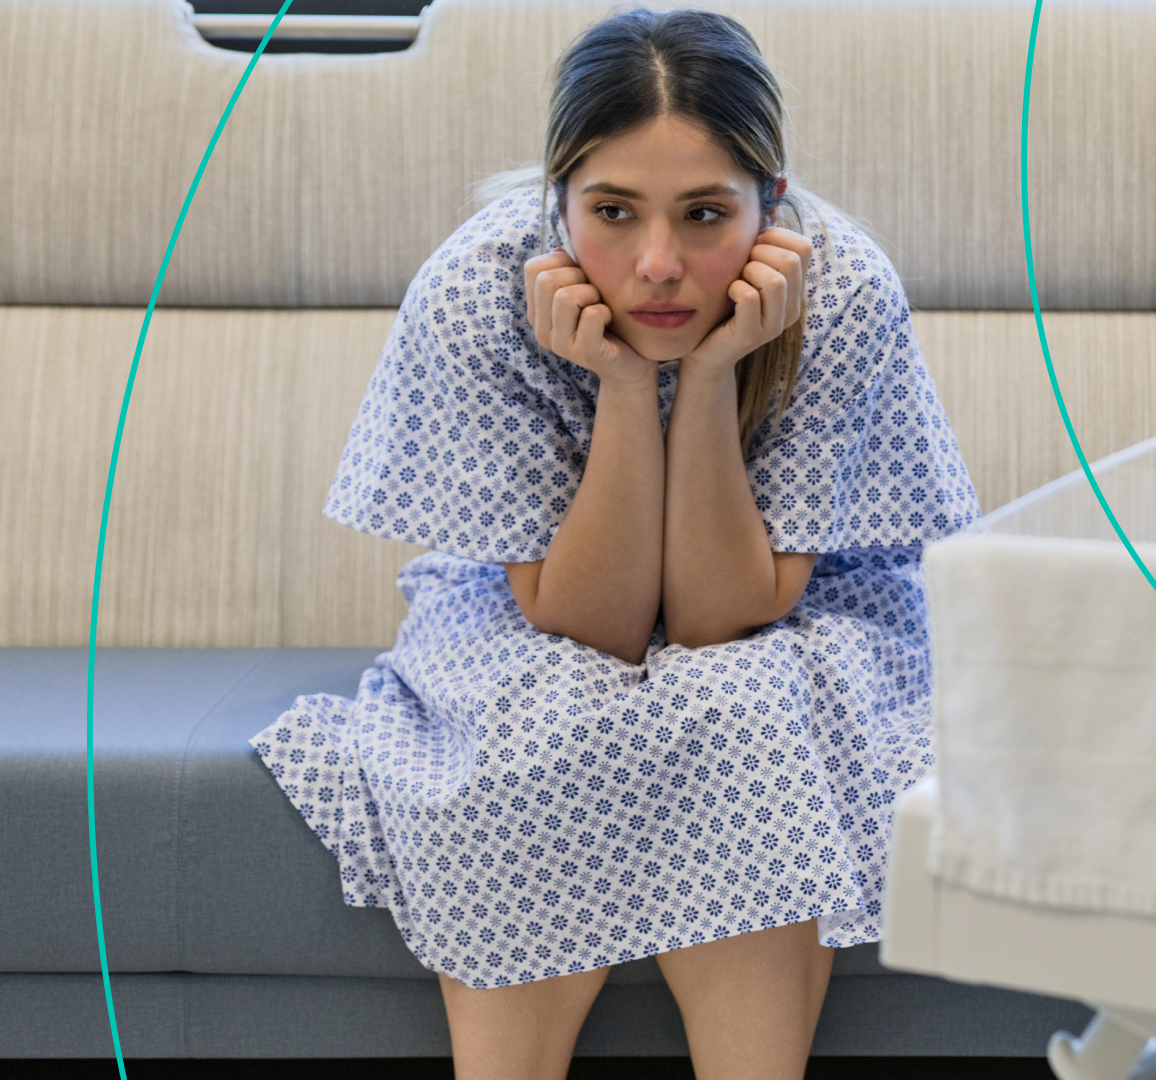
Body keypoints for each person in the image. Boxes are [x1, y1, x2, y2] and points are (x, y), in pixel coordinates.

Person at [248, 7, 978, 1078]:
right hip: (534, 607)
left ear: (771, 204)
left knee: (744, 707)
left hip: (798, 607)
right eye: (613, 211)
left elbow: (720, 617)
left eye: (703, 214)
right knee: (537, 723)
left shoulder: (845, 288)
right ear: (557, 202)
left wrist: (719, 375)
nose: (658, 265)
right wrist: (627, 388)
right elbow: (589, 624)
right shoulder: (476, 290)